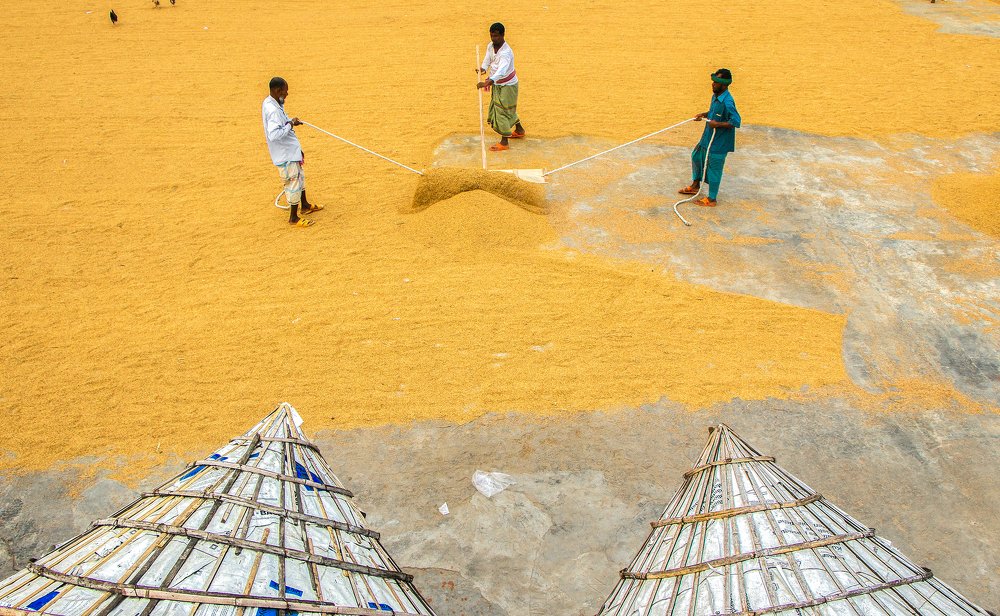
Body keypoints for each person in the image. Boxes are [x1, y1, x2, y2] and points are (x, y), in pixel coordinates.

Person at [262, 77, 324, 227]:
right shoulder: (273, 110)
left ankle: (305, 205)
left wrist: (290, 120)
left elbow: (281, 122)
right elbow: (274, 134)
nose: (287, 93)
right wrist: (290, 125)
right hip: (285, 155)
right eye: (285, 90)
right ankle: (293, 218)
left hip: (291, 151)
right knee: (293, 182)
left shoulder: (272, 102)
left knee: (300, 177)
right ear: (278, 91)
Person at [678, 69, 742, 207]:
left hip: (719, 143)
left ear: (724, 85)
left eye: (716, 82)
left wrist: (717, 124)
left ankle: (712, 199)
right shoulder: (716, 96)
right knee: (696, 156)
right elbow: (714, 112)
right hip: (707, 137)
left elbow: (736, 121)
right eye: (713, 81)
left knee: (714, 169)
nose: (713, 84)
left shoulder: (728, 102)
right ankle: (695, 185)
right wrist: (704, 114)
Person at [477, 22, 525, 151]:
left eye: (496, 36)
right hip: (498, 84)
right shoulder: (490, 46)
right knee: (507, 109)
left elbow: (502, 71)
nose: (494, 39)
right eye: (492, 36)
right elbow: (488, 59)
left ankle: (504, 142)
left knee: (501, 111)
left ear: (503, 35)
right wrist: (483, 68)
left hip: (508, 85)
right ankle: (519, 130)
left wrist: (488, 82)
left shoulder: (506, 53)